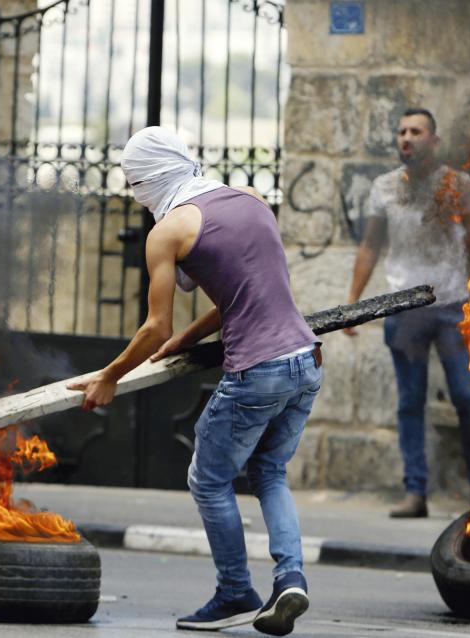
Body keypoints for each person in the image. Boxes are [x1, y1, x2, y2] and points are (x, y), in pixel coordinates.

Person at [68, 126, 322, 636]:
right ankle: (290, 578)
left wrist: (109, 376)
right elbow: (254, 292)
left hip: (257, 369)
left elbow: (152, 326)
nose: (136, 195)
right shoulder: (250, 200)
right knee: (270, 472)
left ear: (148, 178)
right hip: (306, 360)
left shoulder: (168, 232)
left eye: (134, 182)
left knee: (208, 480)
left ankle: (234, 592)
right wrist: (188, 337)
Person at [344, 108, 470, 518]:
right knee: (410, 402)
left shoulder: (457, 185)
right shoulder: (385, 188)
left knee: (466, 397)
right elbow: (370, 247)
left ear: (434, 140)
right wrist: (355, 304)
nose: (406, 138)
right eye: (402, 131)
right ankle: (416, 492)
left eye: (416, 131)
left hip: (451, 307)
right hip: (404, 308)